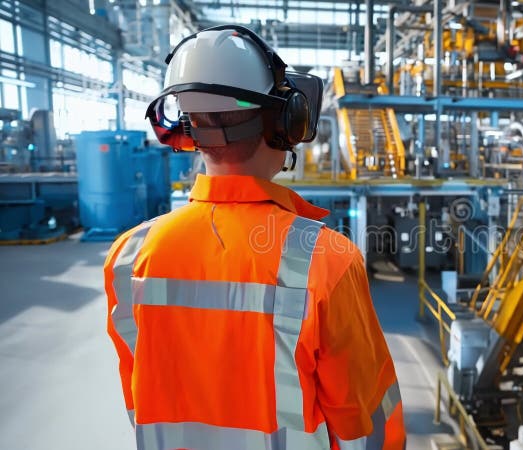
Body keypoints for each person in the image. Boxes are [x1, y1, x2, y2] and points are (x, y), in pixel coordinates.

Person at [104, 25, 405, 450]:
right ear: (284, 123)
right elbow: (364, 421)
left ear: (188, 130)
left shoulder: (129, 256)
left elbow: (139, 397)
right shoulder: (326, 259)